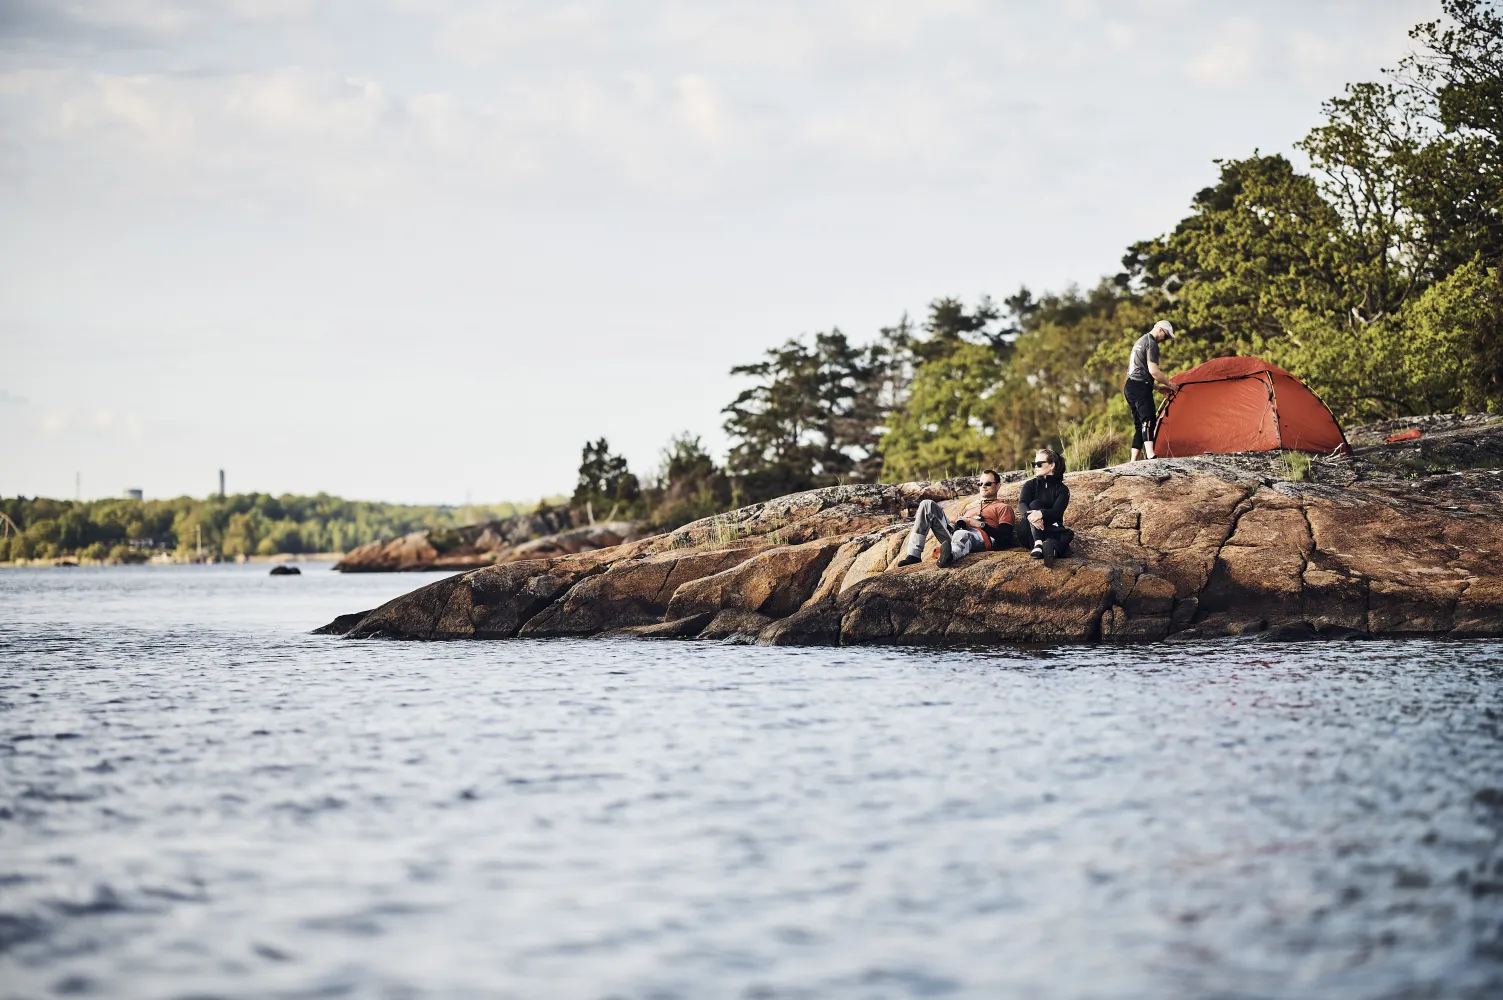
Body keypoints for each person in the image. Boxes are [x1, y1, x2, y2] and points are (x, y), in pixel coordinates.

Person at [896, 469, 1014, 569]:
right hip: (957, 534)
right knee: (927, 504)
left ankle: (949, 556)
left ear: (998, 486)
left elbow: (1005, 537)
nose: (983, 486)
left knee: (962, 534)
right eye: (980, 483)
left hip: (980, 538)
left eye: (988, 483)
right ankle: (914, 556)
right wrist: (955, 523)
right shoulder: (971, 507)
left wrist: (979, 524)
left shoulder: (1003, 508)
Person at [1124, 320, 1178, 461]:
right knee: (1148, 419)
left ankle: (1133, 460)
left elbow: (1137, 371)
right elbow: (1153, 371)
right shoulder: (1151, 343)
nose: (1164, 340)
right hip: (1139, 387)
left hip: (1130, 386)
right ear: (1160, 330)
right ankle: (1150, 455)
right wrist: (1169, 383)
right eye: (1165, 336)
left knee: (1139, 423)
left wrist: (1157, 387)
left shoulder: (1141, 340)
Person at [1017, 447, 1073, 568]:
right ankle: (1041, 543)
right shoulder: (1030, 485)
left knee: (1053, 539)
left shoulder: (1062, 490)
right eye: (1034, 464)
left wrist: (1041, 514)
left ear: (1052, 465)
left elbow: (1057, 512)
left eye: (1039, 464)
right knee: (1034, 504)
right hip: (1028, 530)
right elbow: (1022, 504)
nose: (1035, 466)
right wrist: (1032, 516)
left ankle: (1048, 549)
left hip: (1050, 526)